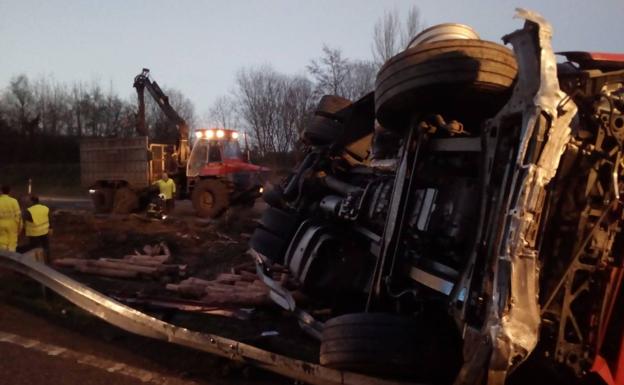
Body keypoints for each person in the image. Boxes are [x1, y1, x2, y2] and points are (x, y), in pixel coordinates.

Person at [22, 195, 51, 262]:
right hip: (44, 231)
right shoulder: (45, 208)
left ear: (32, 201)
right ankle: (48, 260)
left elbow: (24, 221)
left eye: (29, 201)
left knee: (34, 248)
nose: (28, 202)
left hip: (34, 233)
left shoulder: (29, 210)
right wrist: (50, 227)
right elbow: (49, 218)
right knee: (46, 246)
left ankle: (36, 263)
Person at [0, 185, 22, 252]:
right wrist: (19, 227)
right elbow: (18, 215)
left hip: (1, 224)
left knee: (1, 241)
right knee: (12, 242)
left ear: (1, 191)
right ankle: (11, 256)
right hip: (12, 224)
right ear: (9, 192)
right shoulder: (14, 201)